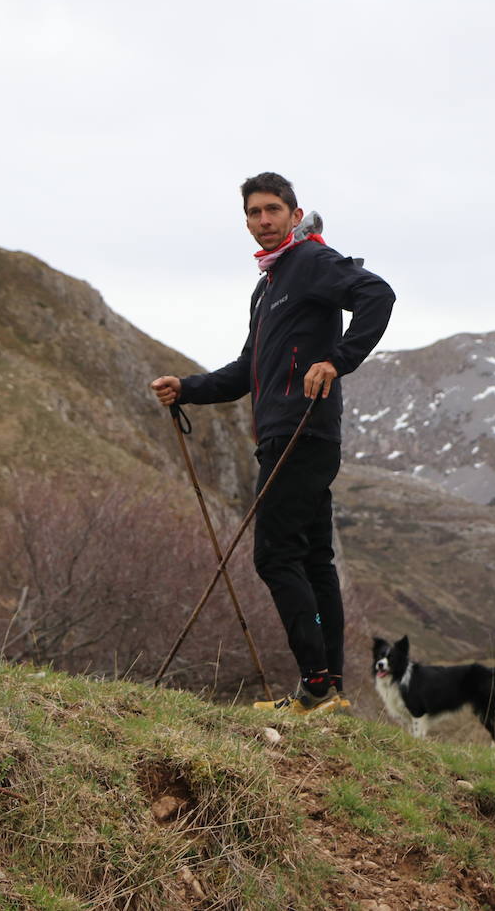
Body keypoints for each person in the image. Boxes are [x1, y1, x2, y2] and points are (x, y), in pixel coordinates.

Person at [151, 172, 395, 713]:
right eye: (254, 213)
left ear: (293, 213)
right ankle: (328, 690)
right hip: (290, 433)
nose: (263, 221)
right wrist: (187, 389)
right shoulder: (269, 285)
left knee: (275, 556)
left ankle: (314, 684)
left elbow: (377, 294)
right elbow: (246, 370)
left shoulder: (309, 261)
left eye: (273, 211)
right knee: (311, 560)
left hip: (301, 431)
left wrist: (337, 361)